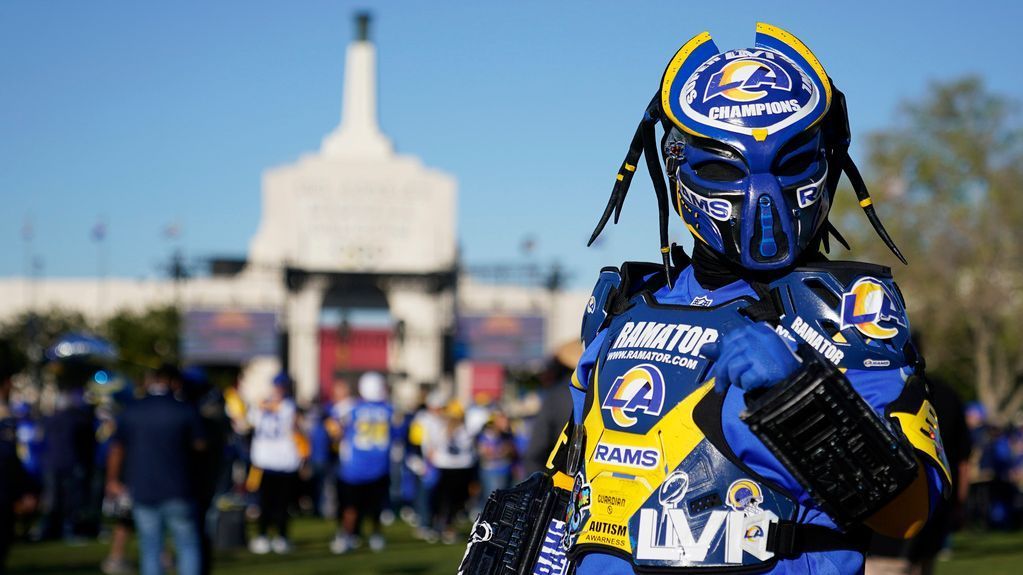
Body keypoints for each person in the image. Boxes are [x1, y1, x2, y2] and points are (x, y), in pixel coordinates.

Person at [462, 24, 950, 575]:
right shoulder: (624, 304)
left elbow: (910, 512)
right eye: (725, 169)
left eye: (789, 165)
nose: (761, 197)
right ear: (677, 165)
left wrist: (798, 395)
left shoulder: (843, 311)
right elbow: (568, 486)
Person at [107, 364, 205, 575]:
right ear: (173, 382)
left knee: (150, 548)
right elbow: (200, 447)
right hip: (179, 487)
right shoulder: (184, 410)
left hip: (143, 487)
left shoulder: (132, 411)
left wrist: (113, 479)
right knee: (187, 545)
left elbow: (116, 449)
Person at [331, 372, 393, 554]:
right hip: (380, 465)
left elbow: (334, 427)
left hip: (354, 467)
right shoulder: (389, 409)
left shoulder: (350, 408)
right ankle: (375, 535)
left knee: (350, 507)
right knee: (376, 507)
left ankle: (346, 536)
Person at [247, 373, 303, 555]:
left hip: (281, 461)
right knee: (266, 503)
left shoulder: (282, 406)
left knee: (279, 503)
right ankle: (266, 536)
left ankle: (278, 536)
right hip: (268, 461)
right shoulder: (286, 406)